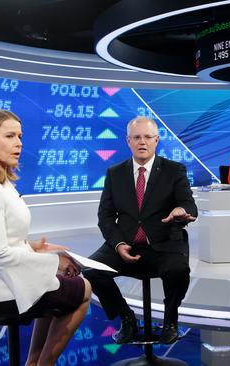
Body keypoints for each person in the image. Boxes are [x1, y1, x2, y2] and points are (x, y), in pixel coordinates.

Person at [0, 108, 91, 366]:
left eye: (20, 136)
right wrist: (56, 261)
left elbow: (2, 237)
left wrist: (33, 247)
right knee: (84, 289)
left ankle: (33, 363)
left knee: (50, 281)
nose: (19, 143)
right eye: (9, 136)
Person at [84, 116, 197, 345]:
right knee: (91, 270)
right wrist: (118, 244)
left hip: (164, 243)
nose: (142, 142)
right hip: (125, 244)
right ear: (128, 141)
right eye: (137, 137)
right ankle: (127, 318)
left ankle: (170, 321)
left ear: (156, 140)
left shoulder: (174, 170)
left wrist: (180, 210)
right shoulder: (115, 173)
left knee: (178, 271)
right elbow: (105, 216)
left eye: (147, 137)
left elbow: (189, 204)